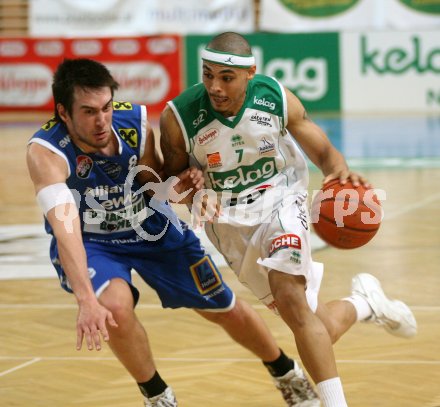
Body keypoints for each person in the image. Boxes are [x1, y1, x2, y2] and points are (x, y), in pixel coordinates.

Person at [26, 58, 322, 407]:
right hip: (93, 242)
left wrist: (185, 186)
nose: (101, 120)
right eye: (88, 112)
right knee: (114, 308)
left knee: (223, 307)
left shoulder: (133, 123)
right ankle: (158, 396)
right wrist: (86, 300)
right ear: (63, 112)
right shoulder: (45, 151)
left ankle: (286, 372)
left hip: (150, 227)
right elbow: (66, 230)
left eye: (105, 107)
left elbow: (155, 188)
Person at [159, 32, 418, 407]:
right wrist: (192, 189)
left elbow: (326, 153)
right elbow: (174, 186)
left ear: (250, 73)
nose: (214, 86)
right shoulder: (179, 116)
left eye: (226, 77)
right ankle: (365, 303)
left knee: (291, 297)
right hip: (229, 226)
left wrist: (339, 175)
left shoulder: (275, 98)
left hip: (282, 200)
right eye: (208, 74)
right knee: (315, 326)